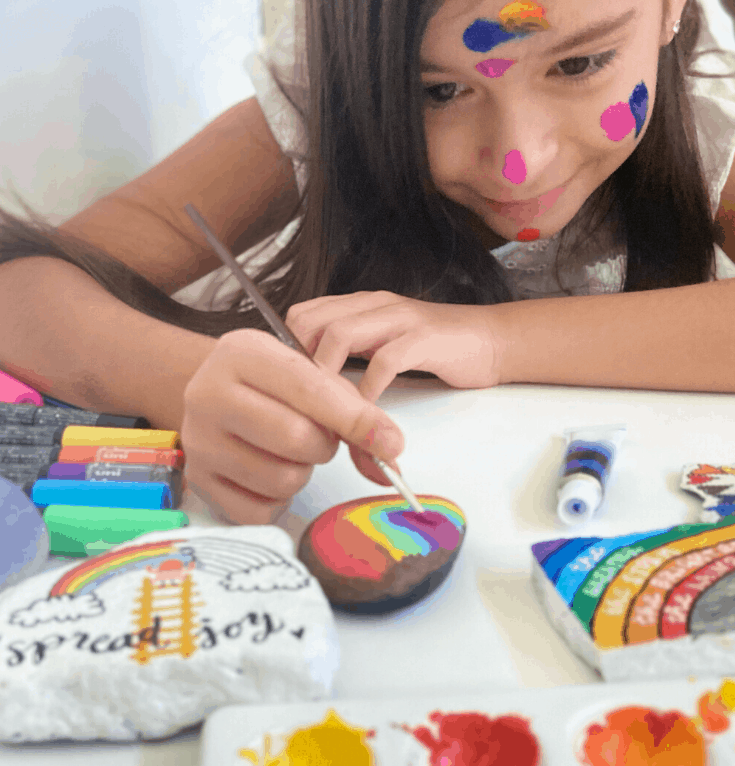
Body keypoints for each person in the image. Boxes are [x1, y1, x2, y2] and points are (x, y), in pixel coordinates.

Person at [1, 0, 734, 525]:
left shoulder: (714, 105)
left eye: (578, 63)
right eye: (438, 91)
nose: (518, 164)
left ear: (672, 8)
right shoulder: (322, 106)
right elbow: (20, 287)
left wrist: (492, 338)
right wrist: (192, 383)